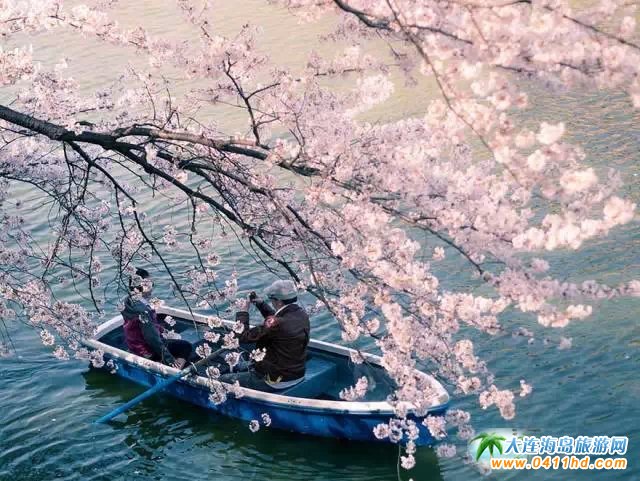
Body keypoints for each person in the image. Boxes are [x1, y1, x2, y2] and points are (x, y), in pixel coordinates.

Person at [220, 279, 310, 391]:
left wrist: (243, 312)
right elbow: (278, 319)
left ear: (279, 301)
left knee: (222, 380)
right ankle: (249, 366)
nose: (270, 301)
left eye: (271, 298)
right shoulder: (301, 314)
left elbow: (243, 337)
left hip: (276, 380)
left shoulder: (276, 324)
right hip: (297, 374)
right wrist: (261, 304)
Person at [120, 268, 193, 369]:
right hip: (147, 352)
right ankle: (175, 369)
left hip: (134, 346)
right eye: (150, 284)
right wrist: (169, 359)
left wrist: (163, 330)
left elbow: (143, 327)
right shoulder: (143, 311)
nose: (152, 287)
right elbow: (153, 339)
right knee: (186, 346)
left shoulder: (128, 302)